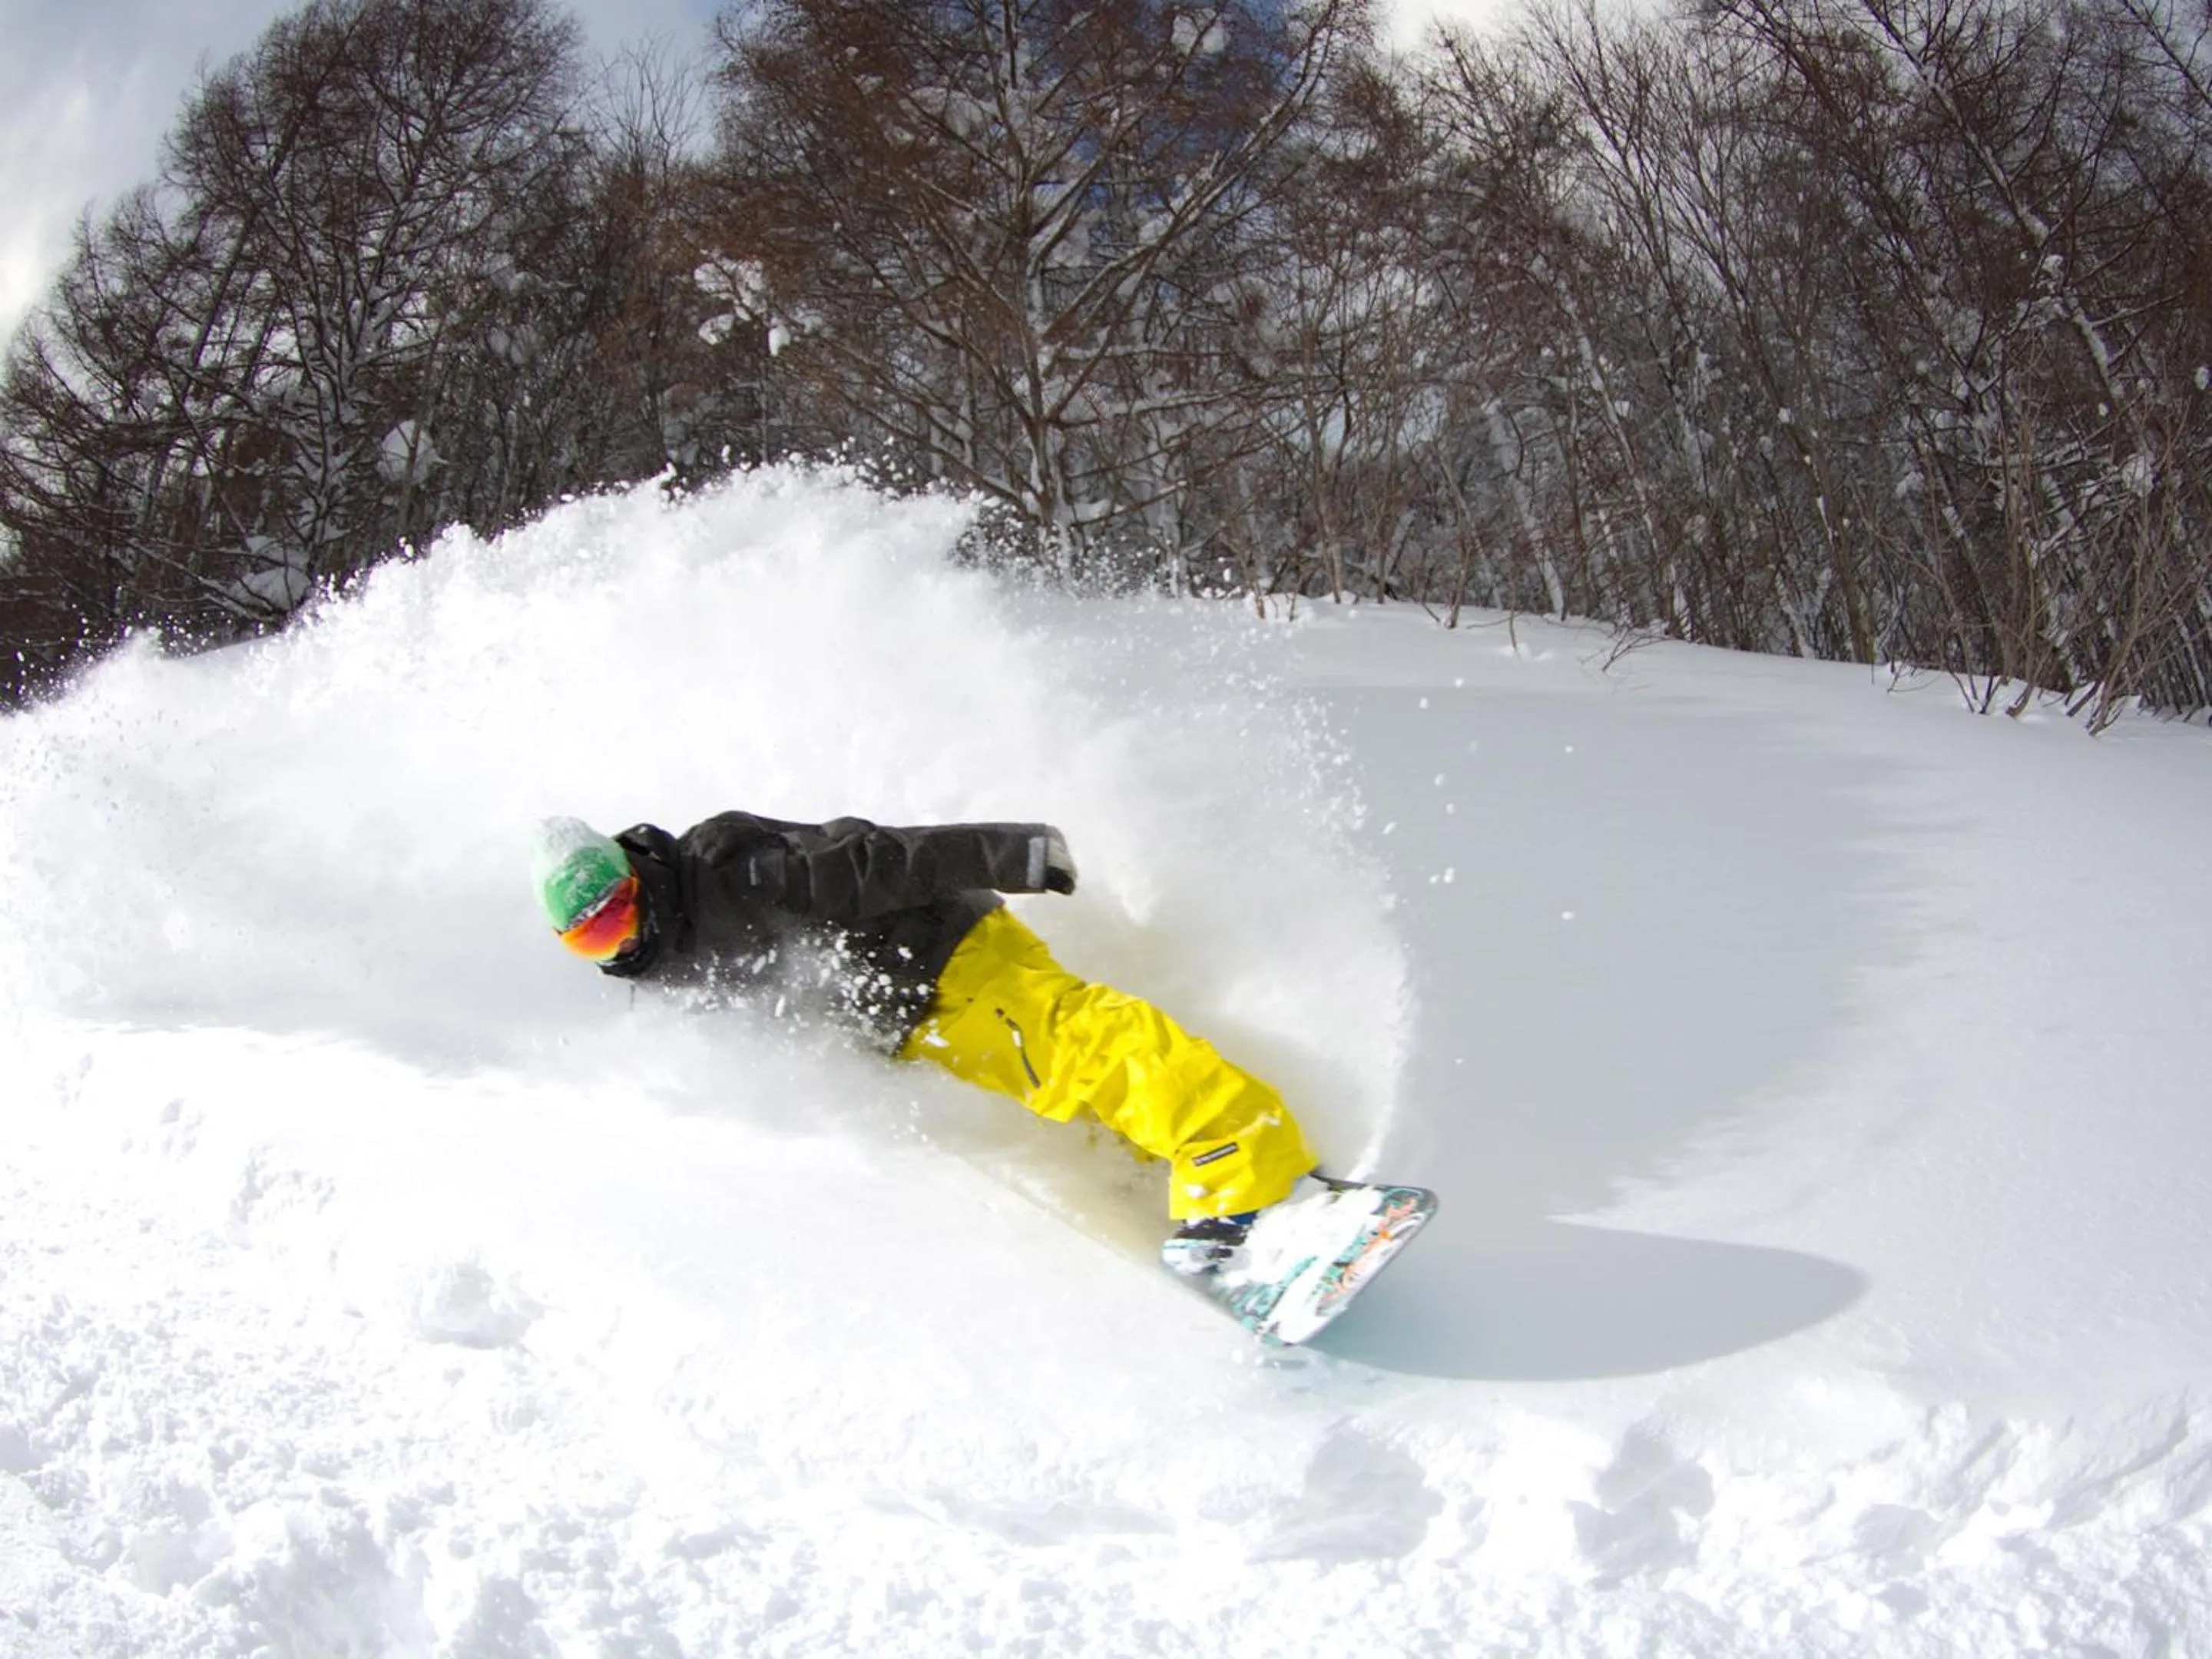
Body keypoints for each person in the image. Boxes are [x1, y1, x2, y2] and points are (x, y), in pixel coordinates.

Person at [530, 811, 1320, 1275]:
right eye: (593, 938)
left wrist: (1007, 851)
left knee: (1078, 1040)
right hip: (911, 1022)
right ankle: (1174, 1185)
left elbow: (873, 861)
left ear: (634, 876)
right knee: (1056, 1089)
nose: (621, 938)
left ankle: (1249, 1172)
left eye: (620, 910)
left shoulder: (732, 874)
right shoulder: (662, 968)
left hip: (943, 952)